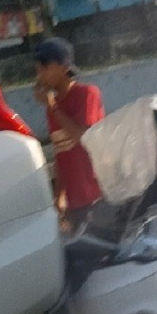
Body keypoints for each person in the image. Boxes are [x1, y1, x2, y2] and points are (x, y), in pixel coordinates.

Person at [34, 37, 105, 233]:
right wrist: (59, 197)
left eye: (45, 66)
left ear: (64, 67)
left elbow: (81, 136)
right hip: (74, 202)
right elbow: (60, 152)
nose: (39, 72)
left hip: (96, 196)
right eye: (38, 67)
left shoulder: (87, 94)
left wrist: (53, 107)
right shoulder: (53, 106)